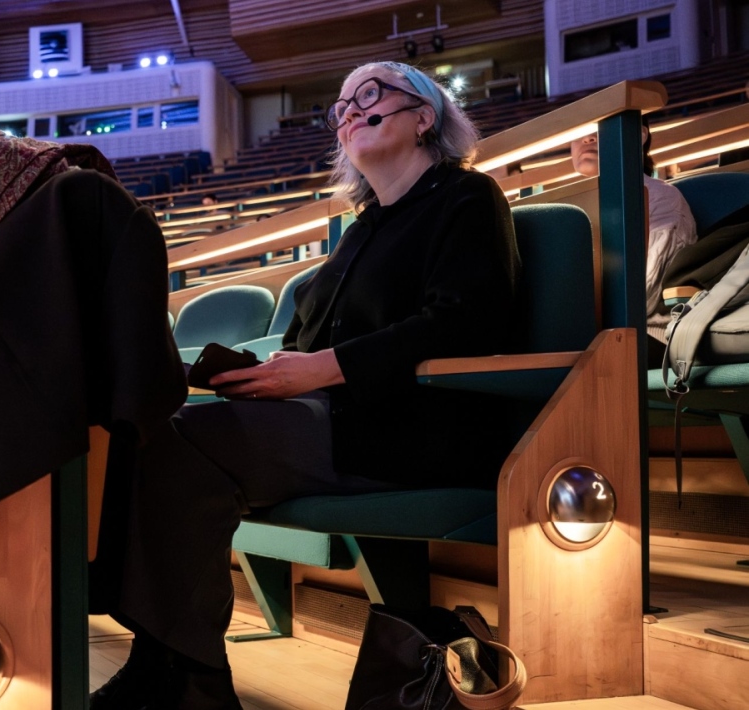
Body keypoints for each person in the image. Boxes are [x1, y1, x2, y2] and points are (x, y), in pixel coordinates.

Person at [91, 62, 519, 709]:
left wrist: (320, 370)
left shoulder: (468, 197)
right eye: (340, 106)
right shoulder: (361, 230)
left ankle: (182, 673)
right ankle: (173, 664)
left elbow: (465, 321)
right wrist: (257, 375)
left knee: (178, 445)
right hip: (336, 421)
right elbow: (303, 343)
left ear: (424, 116)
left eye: (369, 93)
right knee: (157, 437)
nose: (349, 110)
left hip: (414, 427)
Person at [569, 126, 696, 354]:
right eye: (578, 129)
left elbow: (641, 296)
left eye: (597, 126)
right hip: (598, 331)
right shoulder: (577, 205)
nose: (587, 137)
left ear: (639, 134)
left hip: (647, 334)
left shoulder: (658, 197)